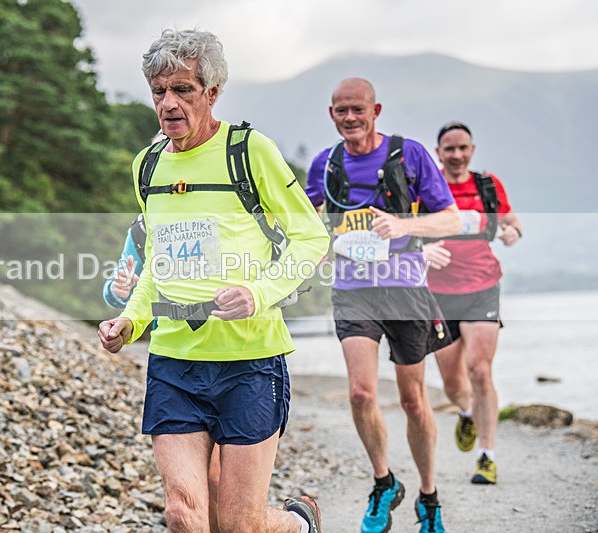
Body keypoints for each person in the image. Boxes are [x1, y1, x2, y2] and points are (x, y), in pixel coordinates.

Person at [97, 28, 329, 533]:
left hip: (249, 360)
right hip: (174, 362)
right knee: (183, 513)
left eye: (182, 89)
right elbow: (157, 263)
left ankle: (299, 524)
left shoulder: (249, 151)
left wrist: (257, 294)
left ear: (212, 92)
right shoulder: (147, 166)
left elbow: (311, 238)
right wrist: (130, 322)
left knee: (240, 523)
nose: (168, 103)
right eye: (159, 91)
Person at [304, 78, 461, 533]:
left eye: (358, 109)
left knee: (414, 401)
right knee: (361, 394)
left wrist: (404, 225)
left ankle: (428, 496)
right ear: (331, 114)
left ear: (376, 111)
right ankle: (383, 482)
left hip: (406, 288)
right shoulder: (324, 164)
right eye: (341, 110)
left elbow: (450, 218)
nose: (350, 118)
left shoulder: (409, 154)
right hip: (353, 291)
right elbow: (306, 222)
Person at [423, 121, 522, 485]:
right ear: (438, 153)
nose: (457, 155)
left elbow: (511, 222)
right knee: (452, 383)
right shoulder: (428, 188)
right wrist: (422, 247)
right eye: (449, 149)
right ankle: (465, 411)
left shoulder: (487, 186)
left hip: (483, 287)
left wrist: (512, 232)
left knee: (480, 370)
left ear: (472, 150)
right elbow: (407, 229)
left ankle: (487, 456)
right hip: (438, 293)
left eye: (463, 148)